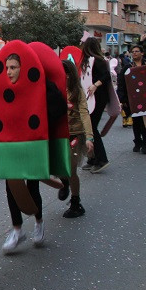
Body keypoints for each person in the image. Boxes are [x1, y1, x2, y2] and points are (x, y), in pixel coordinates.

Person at [0, 53, 66, 253]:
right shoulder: (3, 88)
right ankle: (17, 229)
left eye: (14, 67)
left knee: (32, 185)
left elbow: (59, 109)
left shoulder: (42, 86)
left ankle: (39, 223)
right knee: (11, 185)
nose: (9, 72)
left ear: (23, 68)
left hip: (34, 143)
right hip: (11, 144)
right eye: (7, 67)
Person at [57, 59, 94, 218]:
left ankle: (76, 202)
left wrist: (89, 138)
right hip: (59, 134)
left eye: (65, 73)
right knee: (59, 167)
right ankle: (64, 183)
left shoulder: (77, 90)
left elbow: (84, 113)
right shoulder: (55, 87)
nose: (63, 76)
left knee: (71, 169)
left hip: (75, 135)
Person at [80, 37, 111, 173]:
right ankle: (92, 158)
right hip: (91, 97)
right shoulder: (87, 61)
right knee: (89, 128)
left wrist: (95, 85)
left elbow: (106, 76)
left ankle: (101, 159)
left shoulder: (98, 60)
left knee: (92, 127)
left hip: (97, 97)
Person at [117, 45, 146, 154]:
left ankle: (145, 143)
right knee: (136, 121)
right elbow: (121, 83)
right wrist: (122, 99)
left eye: (137, 51)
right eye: (133, 51)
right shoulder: (127, 67)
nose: (134, 53)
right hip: (132, 98)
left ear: (142, 53)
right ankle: (137, 141)